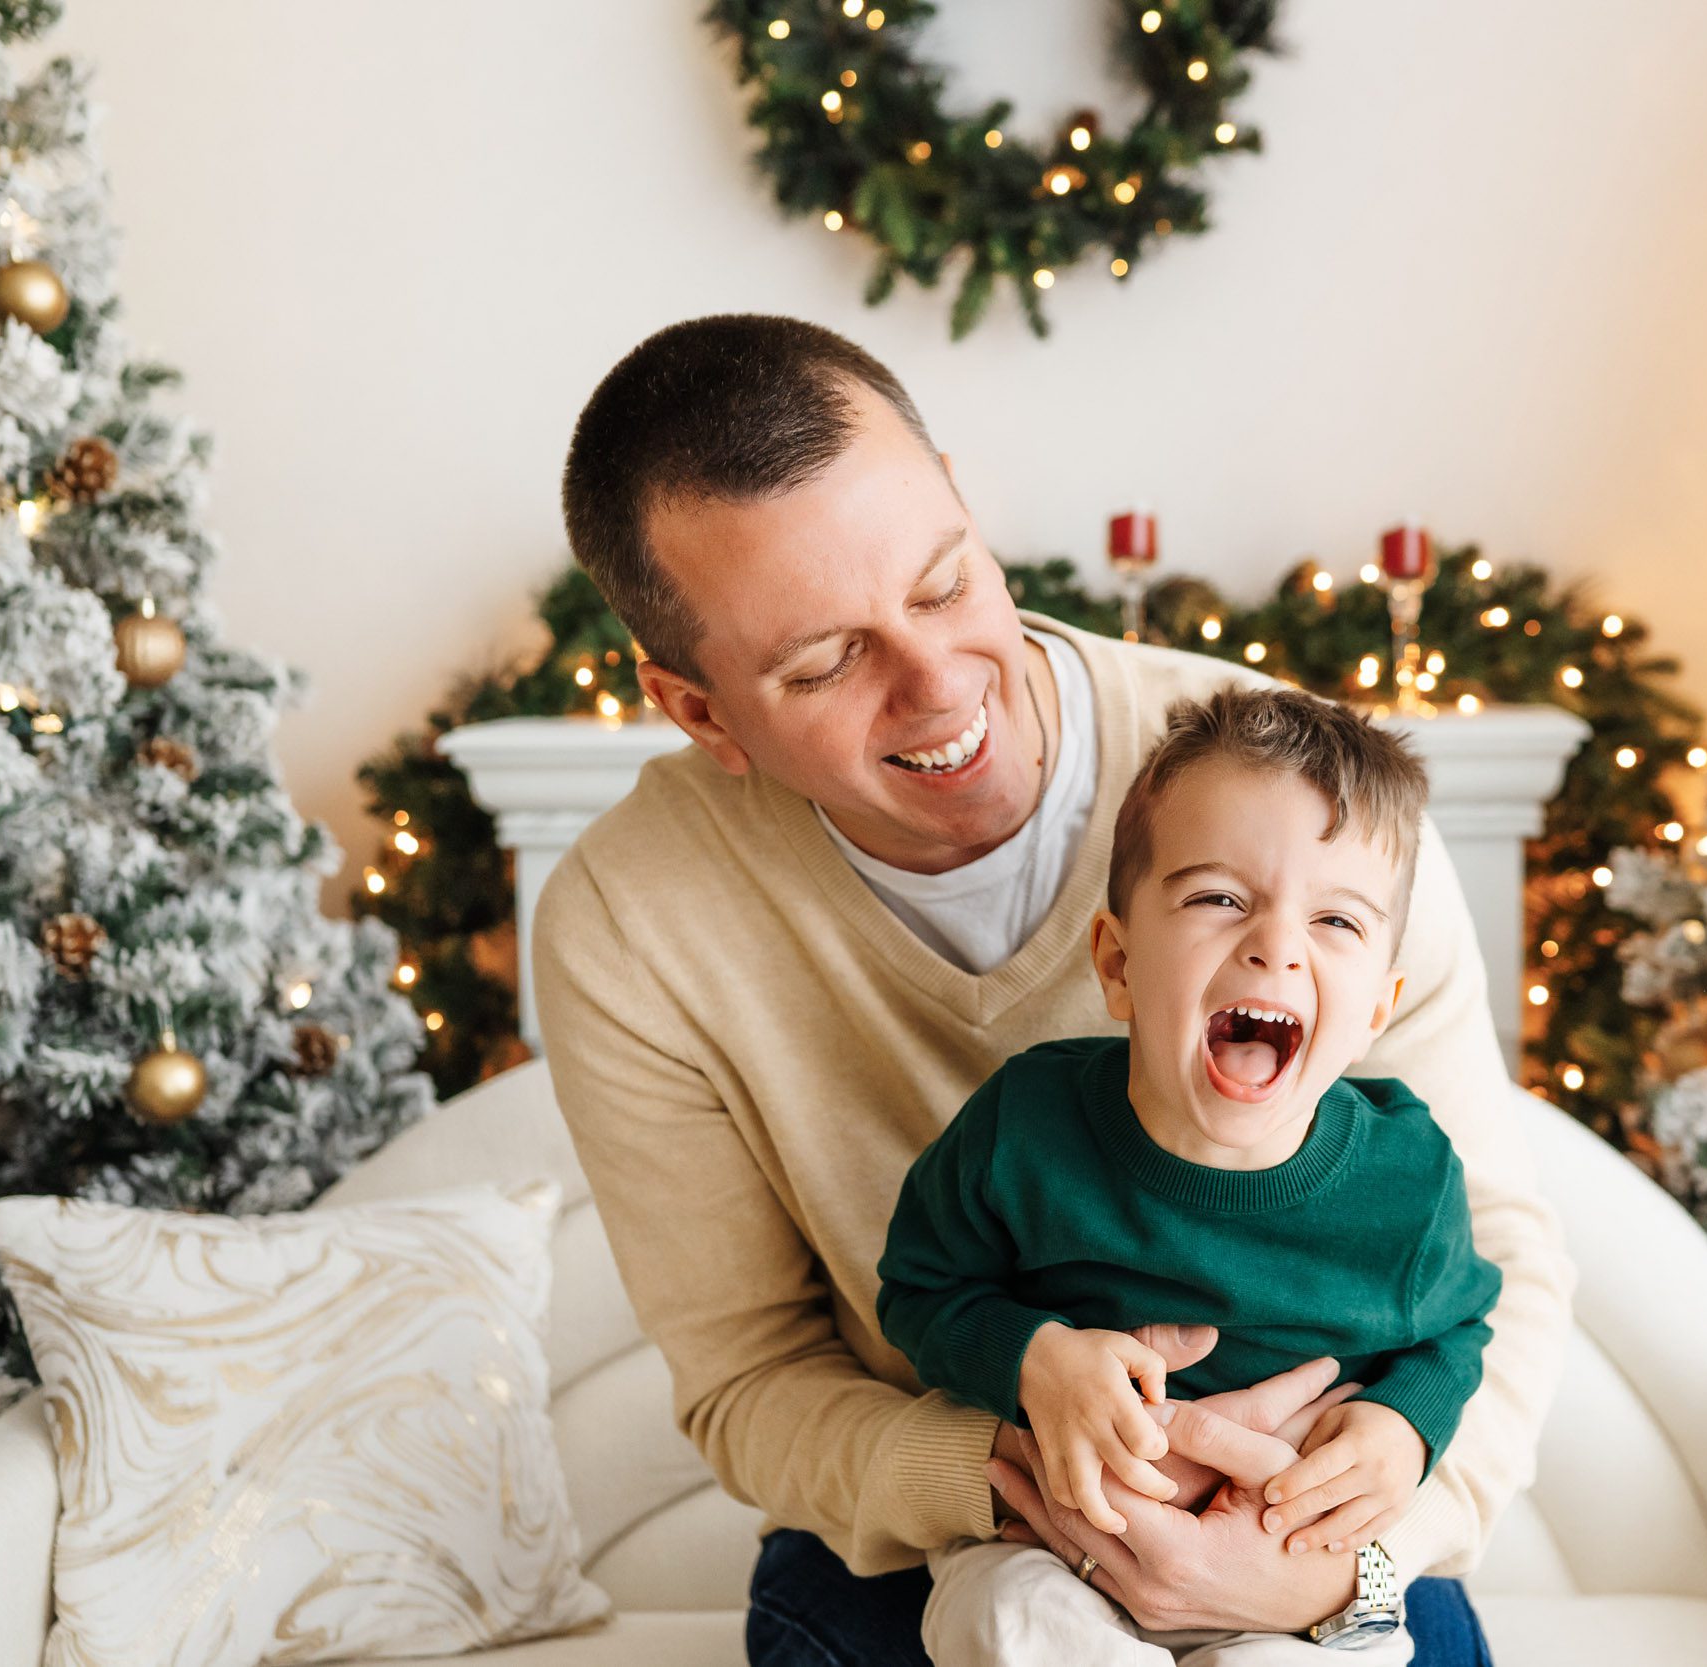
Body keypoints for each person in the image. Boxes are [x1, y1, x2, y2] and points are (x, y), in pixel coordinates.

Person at [537, 312, 1577, 1664]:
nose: (936, 684)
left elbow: (1497, 1269)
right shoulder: (631, 923)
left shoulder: (1306, 812)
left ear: (964, 501)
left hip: (1333, 1522)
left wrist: (1324, 1571)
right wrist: (1024, 1474)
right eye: (824, 659)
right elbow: (751, 1381)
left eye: (942, 579)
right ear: (700, 709)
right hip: (952, 1507)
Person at [878, 685, 1505, 1664]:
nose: (1275, 944)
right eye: (1219, 897)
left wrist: (1401, 1426)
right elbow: (921, 1292)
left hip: (1303, 1564)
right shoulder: (1025, 1124)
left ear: (1377, 1008)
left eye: (1336, 920)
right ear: (1117, 962)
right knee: (1010, 1618)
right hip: (1062, 1540)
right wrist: (1037, 1355)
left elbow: (1459, 1329)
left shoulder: (1405, 1171)